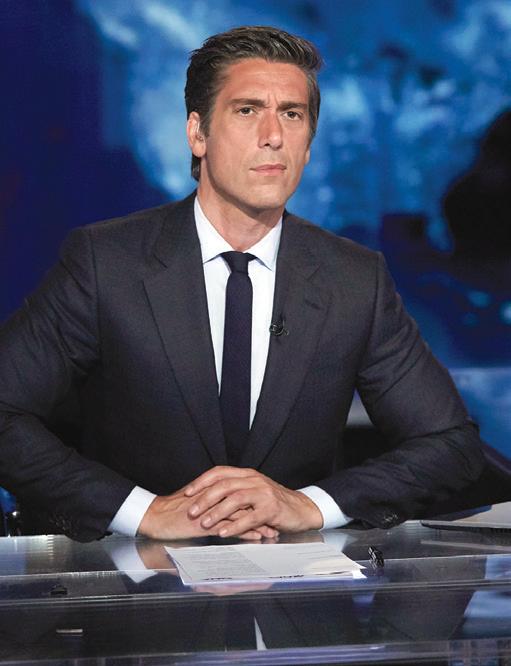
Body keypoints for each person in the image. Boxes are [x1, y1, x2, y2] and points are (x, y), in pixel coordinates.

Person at [0, 26, 484, 542]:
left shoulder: (354, 279)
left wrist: (308, 505)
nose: (273, 135)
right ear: (197, 134)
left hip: (295, 581)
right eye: (248, 110)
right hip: (136, 576)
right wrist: (145, 513)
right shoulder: (106, 262)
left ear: (308, 144)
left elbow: (449, 446)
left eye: (292, 114)